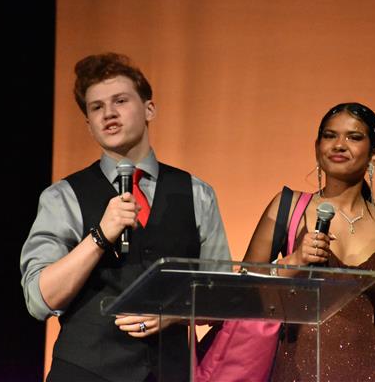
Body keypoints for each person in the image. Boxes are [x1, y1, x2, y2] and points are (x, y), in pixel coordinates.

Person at [20, 53, 231, 382]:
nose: (109, 114)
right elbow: (39, 300)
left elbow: (223, 296)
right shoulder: (62, 197)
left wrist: (173, 313)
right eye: (96, 107)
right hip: (86, 372)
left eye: (120, 101)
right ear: (89, 125)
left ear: (149, 109)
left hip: (169, 372)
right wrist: (100, 236)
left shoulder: (196, 193)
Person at [243, 102, 375, 381]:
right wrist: (294, 261)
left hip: (367, 373)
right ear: (317, 147)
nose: (339, 145)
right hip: (297, 370)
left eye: (354, 137)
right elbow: (242, 290)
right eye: (329, 135)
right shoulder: (288, 207)